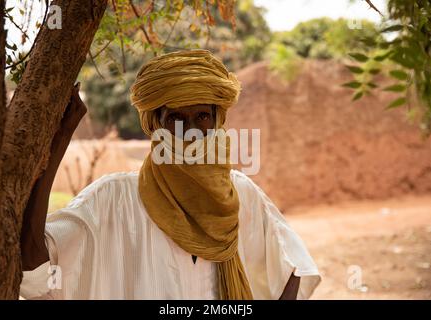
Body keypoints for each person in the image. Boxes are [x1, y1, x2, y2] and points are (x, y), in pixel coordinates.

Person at [20, 49, 321, 300]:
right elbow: (34, 269)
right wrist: (60, 139)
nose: (189, 131)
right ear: (156, 125)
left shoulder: (241, 194)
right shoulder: (114, 198)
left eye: (202, 116)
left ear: (217, 122)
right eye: (176, 117)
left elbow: (294, 268)